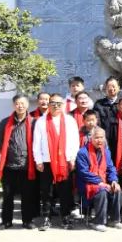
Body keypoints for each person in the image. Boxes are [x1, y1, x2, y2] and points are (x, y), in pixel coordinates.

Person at [32, 93, 79, 230]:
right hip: (46, 161)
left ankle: (65, 217)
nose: (56, 106)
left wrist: (73, 158)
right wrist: (38, 160)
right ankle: (47, 218)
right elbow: (36, 143)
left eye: (59, 103)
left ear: (63, 105)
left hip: (65, 161)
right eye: (53, 103)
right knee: (47, 191)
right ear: (49, 104)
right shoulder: (41, 121)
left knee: (65, 191)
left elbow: (75, 141)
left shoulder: (70, 121)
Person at [0, 94, 38, 230]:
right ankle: (6, 221)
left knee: (28, 196)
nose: (20, 106)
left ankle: (27, 221)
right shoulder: (5, 122)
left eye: (23, 103)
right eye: (17, 103)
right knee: (8, 196)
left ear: (27, 105)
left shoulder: (34, 122)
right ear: (13, 105)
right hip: (9, 165)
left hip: (27, 166)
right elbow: (1, 143)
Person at [74, 127, 121, 231]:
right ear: (91, 138)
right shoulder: (83, 152)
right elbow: (83, 173)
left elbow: (110, 168)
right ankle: (98, 222)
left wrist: (114, 180)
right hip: (87, 184)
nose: (99, 140)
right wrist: (99, 182)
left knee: (117, 189)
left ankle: (114, 220)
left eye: (101, 137)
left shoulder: (106, 152)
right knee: (102, 190)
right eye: (96, 138)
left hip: (102, 182)